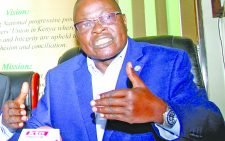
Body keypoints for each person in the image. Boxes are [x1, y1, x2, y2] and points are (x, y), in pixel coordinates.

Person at [1, 0, 224, 140]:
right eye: (86, 24)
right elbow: (34, 132)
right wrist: (9, 125)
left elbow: (212, 126)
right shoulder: (59, 77)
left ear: (124, 21)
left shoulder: (168, 61)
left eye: (107, 17)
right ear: (77, 34)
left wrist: (161, 112)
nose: (98, 29)